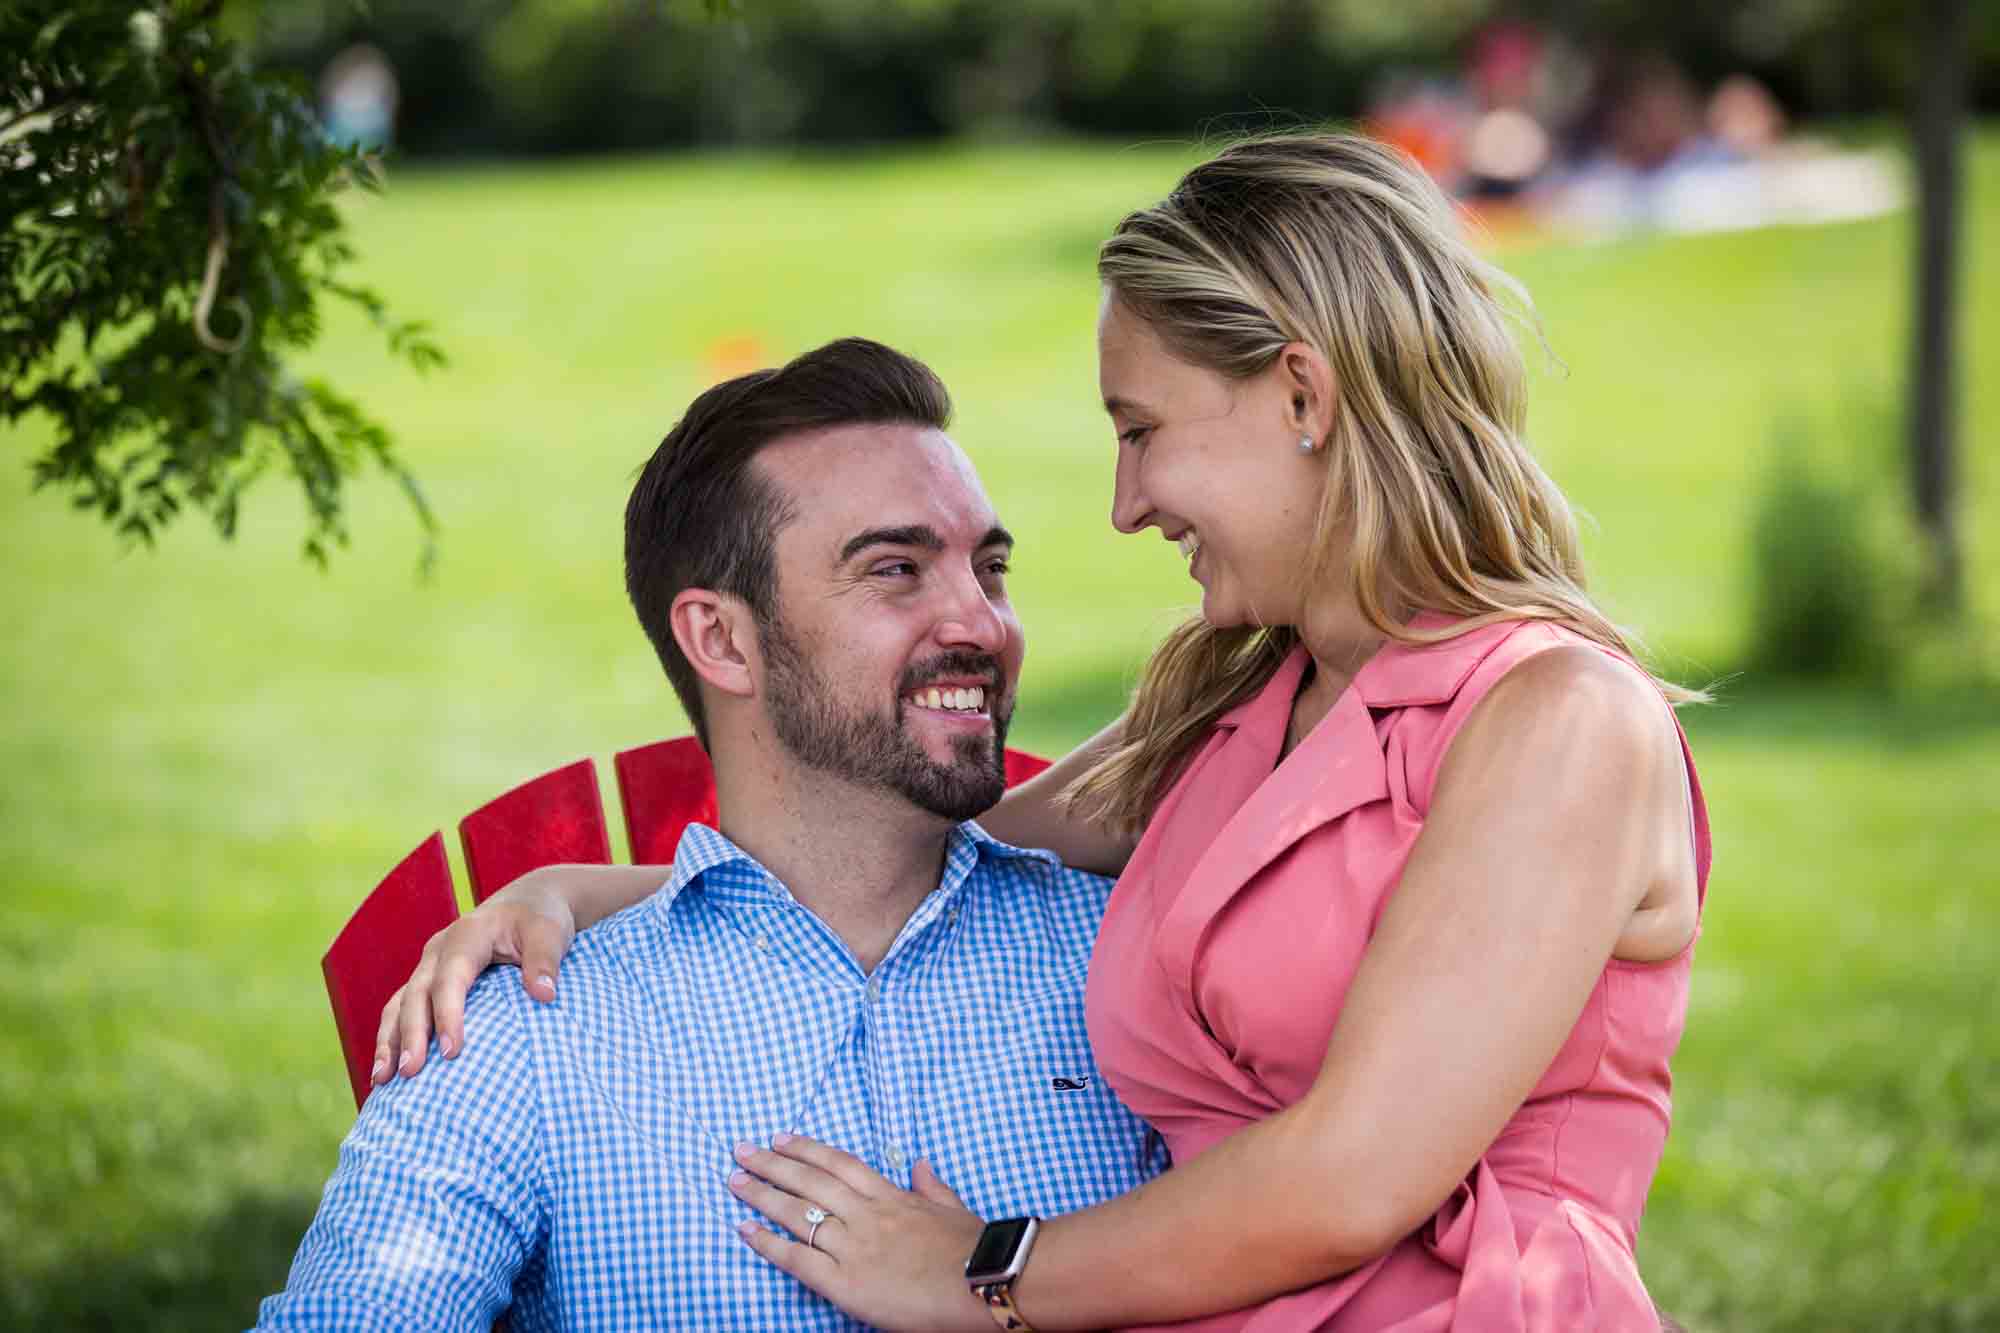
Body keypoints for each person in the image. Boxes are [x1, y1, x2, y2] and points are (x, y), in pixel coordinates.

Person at [384, 132, 1710, 1331]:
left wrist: (982, 1272)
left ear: (1304, 397)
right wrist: (585, 890)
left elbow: (1352, 1174)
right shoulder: (1241, 712)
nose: (1129, 505)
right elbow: (904, 858)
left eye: (1143, 431)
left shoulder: (1556, 722)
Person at [254, 338, 1168, 1332]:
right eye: (897, 569)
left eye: (987, 567)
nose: (981, 620)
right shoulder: (529, 1036)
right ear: (721, 639)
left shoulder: (1139, 964)